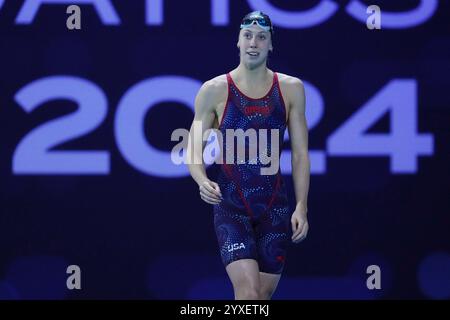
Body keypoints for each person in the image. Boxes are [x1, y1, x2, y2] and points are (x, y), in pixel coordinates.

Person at [187, 10, 310, 300]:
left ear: (271, 45)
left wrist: (302, 205)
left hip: (274, 207)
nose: (254, 42)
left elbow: (301, 154)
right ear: (238, 42)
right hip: (232, 206)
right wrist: (200, 178)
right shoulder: (214, 90)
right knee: (249, 293)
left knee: (261, 299)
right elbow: (193, 147)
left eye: (261, 37)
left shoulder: (291, 89)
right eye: (248, 36)